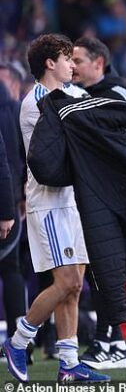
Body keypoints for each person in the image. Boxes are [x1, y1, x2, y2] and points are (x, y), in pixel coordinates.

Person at [1, 33, 109, 383]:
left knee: (75, 287)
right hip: (48, 203)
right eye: (67, 59)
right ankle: (18, 341)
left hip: (75, 201)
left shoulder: (75, 95)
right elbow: (69, 146)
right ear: (50, 63)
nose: (73, 66)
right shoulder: (35, 102)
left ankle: (69, 364)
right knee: (66, 282)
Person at [70, 36, 126, 369]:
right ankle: (114, 341)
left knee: (107, 268)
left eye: (78, 60)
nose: (73, 66)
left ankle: (107, 340)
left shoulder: (117, 94)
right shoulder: (76, 96)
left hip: (120, 197)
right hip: (93, 194)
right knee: (97, 270)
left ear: (98, 63)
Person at [0, 67, 27, 345]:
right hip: (12, 202)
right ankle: (21, 343)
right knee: (13, 269)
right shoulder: (16, 110)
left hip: (11, 202)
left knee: (14, 270)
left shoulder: (16, 110)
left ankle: (21, 341)